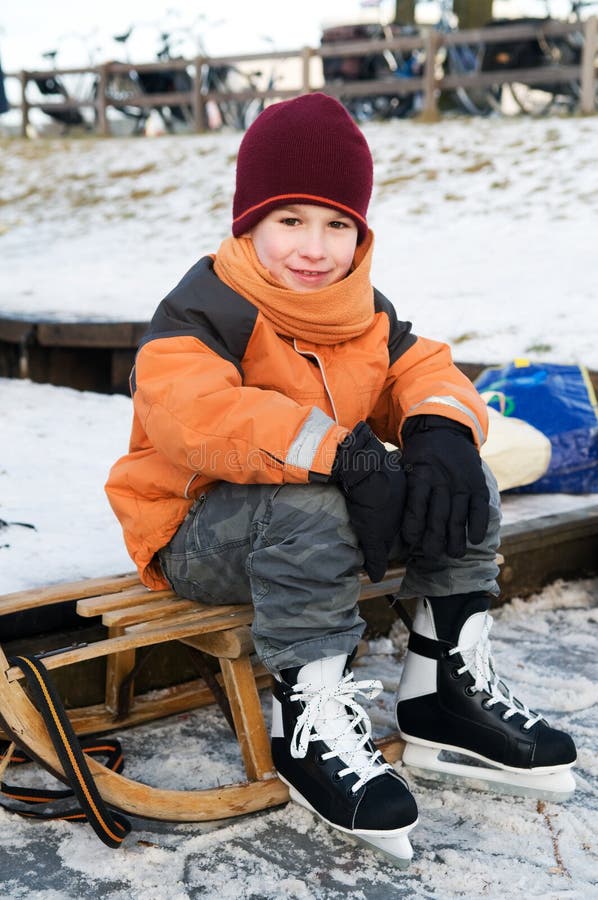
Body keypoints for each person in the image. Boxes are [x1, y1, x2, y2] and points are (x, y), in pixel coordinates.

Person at [105, 92, 576, 866]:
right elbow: (195, 413)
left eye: (337, 224)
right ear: (248, 224)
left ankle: (441, 690)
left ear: (361, 232)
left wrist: (439, 428)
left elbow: (421, 369)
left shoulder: (361, 311)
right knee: (315, 507)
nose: (314, 247)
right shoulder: (202, 311)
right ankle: (309, 723)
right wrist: (347, 453)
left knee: (466, 482)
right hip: (195, 533)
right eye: (289, 220)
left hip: (316, 515)